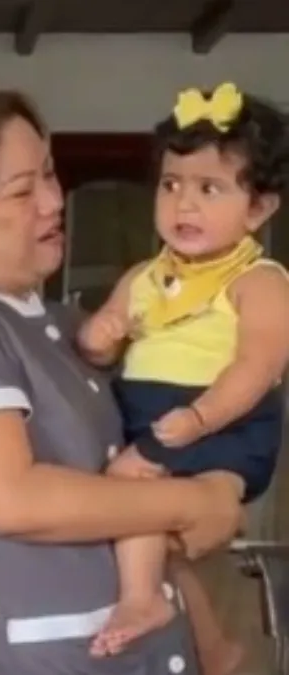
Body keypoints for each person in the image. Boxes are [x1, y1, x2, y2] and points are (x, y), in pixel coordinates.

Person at [0, 89, 243, 675]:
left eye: (50, 173)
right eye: (22, 190)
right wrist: (195, 504)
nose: (54, 200)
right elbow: (14, 498)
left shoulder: (69, 328)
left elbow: (137, 493)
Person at [77, 82, 289, 661]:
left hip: (224, 423)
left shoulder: (260, 281)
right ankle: (206, 640)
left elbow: (258, 367)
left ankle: (142, 599)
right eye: (171, 185)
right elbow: (102, 347)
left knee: (139, 490)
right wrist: (99, 337)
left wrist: (199, 418)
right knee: (158, 524)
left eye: (209, 188)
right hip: (156, 421)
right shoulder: (145, 277)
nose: (184, 205)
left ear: (259, 208)